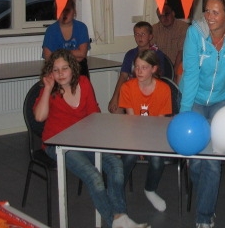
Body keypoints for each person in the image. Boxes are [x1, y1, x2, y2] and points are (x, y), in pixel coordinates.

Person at [33, 49, 149, 228]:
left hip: (84, 140)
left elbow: (93, 115)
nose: (60, 74)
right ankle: (115, 221)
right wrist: (47, 89)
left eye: (65, 68)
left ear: (73, 68)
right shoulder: (51, 90)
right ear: (50, 72)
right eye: (56, 70)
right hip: (57, 144)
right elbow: (39, 117)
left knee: (116, 165)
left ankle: (120, 217)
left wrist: (105, 140)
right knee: (93, 176)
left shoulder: (84, 83)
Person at [180, 0, 225, 228]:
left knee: (211, 158)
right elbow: (190, 74)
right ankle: (203, 189)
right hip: (195, 98)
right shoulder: (194, 33)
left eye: (216, 12)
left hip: (222, 99)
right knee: (197, 160)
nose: (209, 17)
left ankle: (204, 216)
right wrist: (185, 114)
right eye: (207, 11)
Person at [119, 50, 172, 212]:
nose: (139, 71)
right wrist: (139, 145)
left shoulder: (164, 89)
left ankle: (150, 189)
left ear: (153, 69)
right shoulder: (127, 87)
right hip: (133, 133)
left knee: (156, 159)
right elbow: (131, 121)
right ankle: (116, 189)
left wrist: (146, 145)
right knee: (128, 157)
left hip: (154, 135)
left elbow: (159, 123)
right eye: (137, 67)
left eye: (144, 67)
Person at [108, 21, 166, 113]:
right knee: (115, 110)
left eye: (143, 34)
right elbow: (123, 76)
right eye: (137, 34)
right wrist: (115, 97)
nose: (140, 37)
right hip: (131, 91)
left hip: (150, 92)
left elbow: (158, 77)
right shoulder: (130, 54)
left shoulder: (157, 54)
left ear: (150, 36)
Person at [42, 0, 91, 77]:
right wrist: (73, 54)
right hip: (57, 71)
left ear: (74, 11)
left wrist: (59, 54)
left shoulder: (81, 27)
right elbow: (48, 57)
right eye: (61, 10)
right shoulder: (51, 30)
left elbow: (82, 54)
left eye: (67, 10)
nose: (64, 14)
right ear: (56, 12)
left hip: (79, 69)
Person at [152, 3, 188, 74]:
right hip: (159, 67)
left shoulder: (183, 27)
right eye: (161, 16)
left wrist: (174, 72)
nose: (164, 18)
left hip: (179, 66)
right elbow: (151, 51)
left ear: (173, 13)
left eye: (166, 14)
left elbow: (182, 51)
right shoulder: (154, 29)